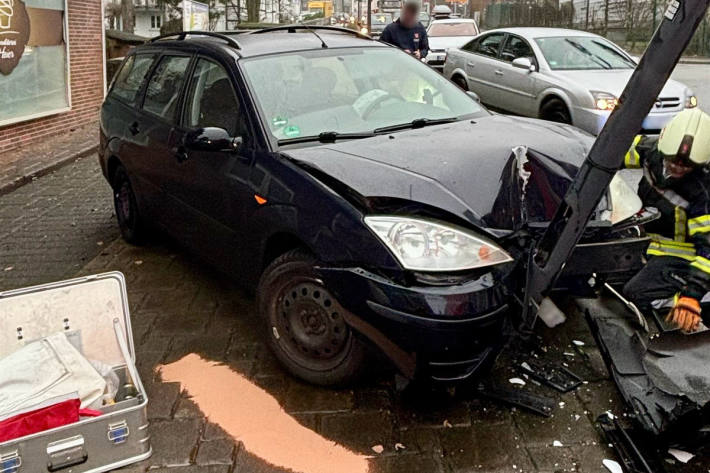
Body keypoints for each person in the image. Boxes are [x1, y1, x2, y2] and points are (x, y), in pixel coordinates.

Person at [622, 108, 710, 332]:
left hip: (686, 258)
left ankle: (692, 308)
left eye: (687, 165)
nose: (677, 167)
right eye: (673, 160)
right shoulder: (649, 150)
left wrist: (692, 295)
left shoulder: (702, 191)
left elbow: (708, 248)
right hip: (648, 243)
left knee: (636, 293)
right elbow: (611, 153)